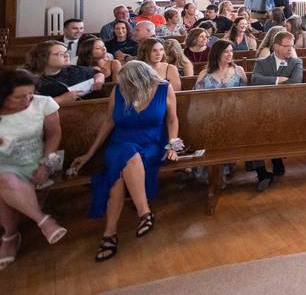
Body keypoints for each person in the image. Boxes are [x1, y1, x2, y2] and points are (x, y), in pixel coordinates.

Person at [68, 61, 178, 261]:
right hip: (121, 141)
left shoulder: (164, 88)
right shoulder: (119, 90)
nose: (123, 85)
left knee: (116, 173)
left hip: (151, 142)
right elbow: (109, 122)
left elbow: (172, 120)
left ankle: (109, 234)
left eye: (128, 81)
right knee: (124, 155)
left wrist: (172, 145)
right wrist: (90, 153)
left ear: (142, 77)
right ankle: (144, 213)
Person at [0, 70, 69, 268]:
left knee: (4, 183)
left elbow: (54, 135)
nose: (28, 100)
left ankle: (10, 237)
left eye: (30, 94)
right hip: (5, 162)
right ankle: (43, 220)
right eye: (20, 97)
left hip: (40, 157)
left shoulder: (43, 103)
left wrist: (46, 163)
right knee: (4, 178)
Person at [248, 31, 303, 189]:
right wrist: (278, 79)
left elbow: (295, 83)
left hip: (286, 107)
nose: (290, 49)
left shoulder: (296, 62)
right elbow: (255, 80)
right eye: (287, 46)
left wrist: (269, 82)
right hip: (263, 106)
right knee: (256, 127)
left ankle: (276, 159)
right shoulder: (262, 62)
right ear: (276, 47)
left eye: (292, 46)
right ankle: (263, 168)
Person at [24, 41, 105, 105]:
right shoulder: (29, 79)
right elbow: (28, 105)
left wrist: (99, 78)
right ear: (43, 58)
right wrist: (60, 100)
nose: (67, 55)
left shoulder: (73, 69)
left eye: (66, 52)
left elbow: (96, 72)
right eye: (61, 54)